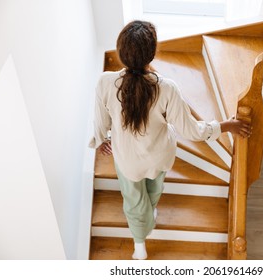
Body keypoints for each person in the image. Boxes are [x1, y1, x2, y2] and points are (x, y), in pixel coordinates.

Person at [89, 20, 251, 260]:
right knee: (154, 189)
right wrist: (224, 126)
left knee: (133, 200)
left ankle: (139, 244)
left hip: (127, 159)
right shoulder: (167, 89)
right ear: (151, 54)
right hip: (160, 156)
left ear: (121, 52)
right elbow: (192, 131)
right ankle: (151, 212)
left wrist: (101, 140)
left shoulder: (104, 82)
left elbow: (100, 121)